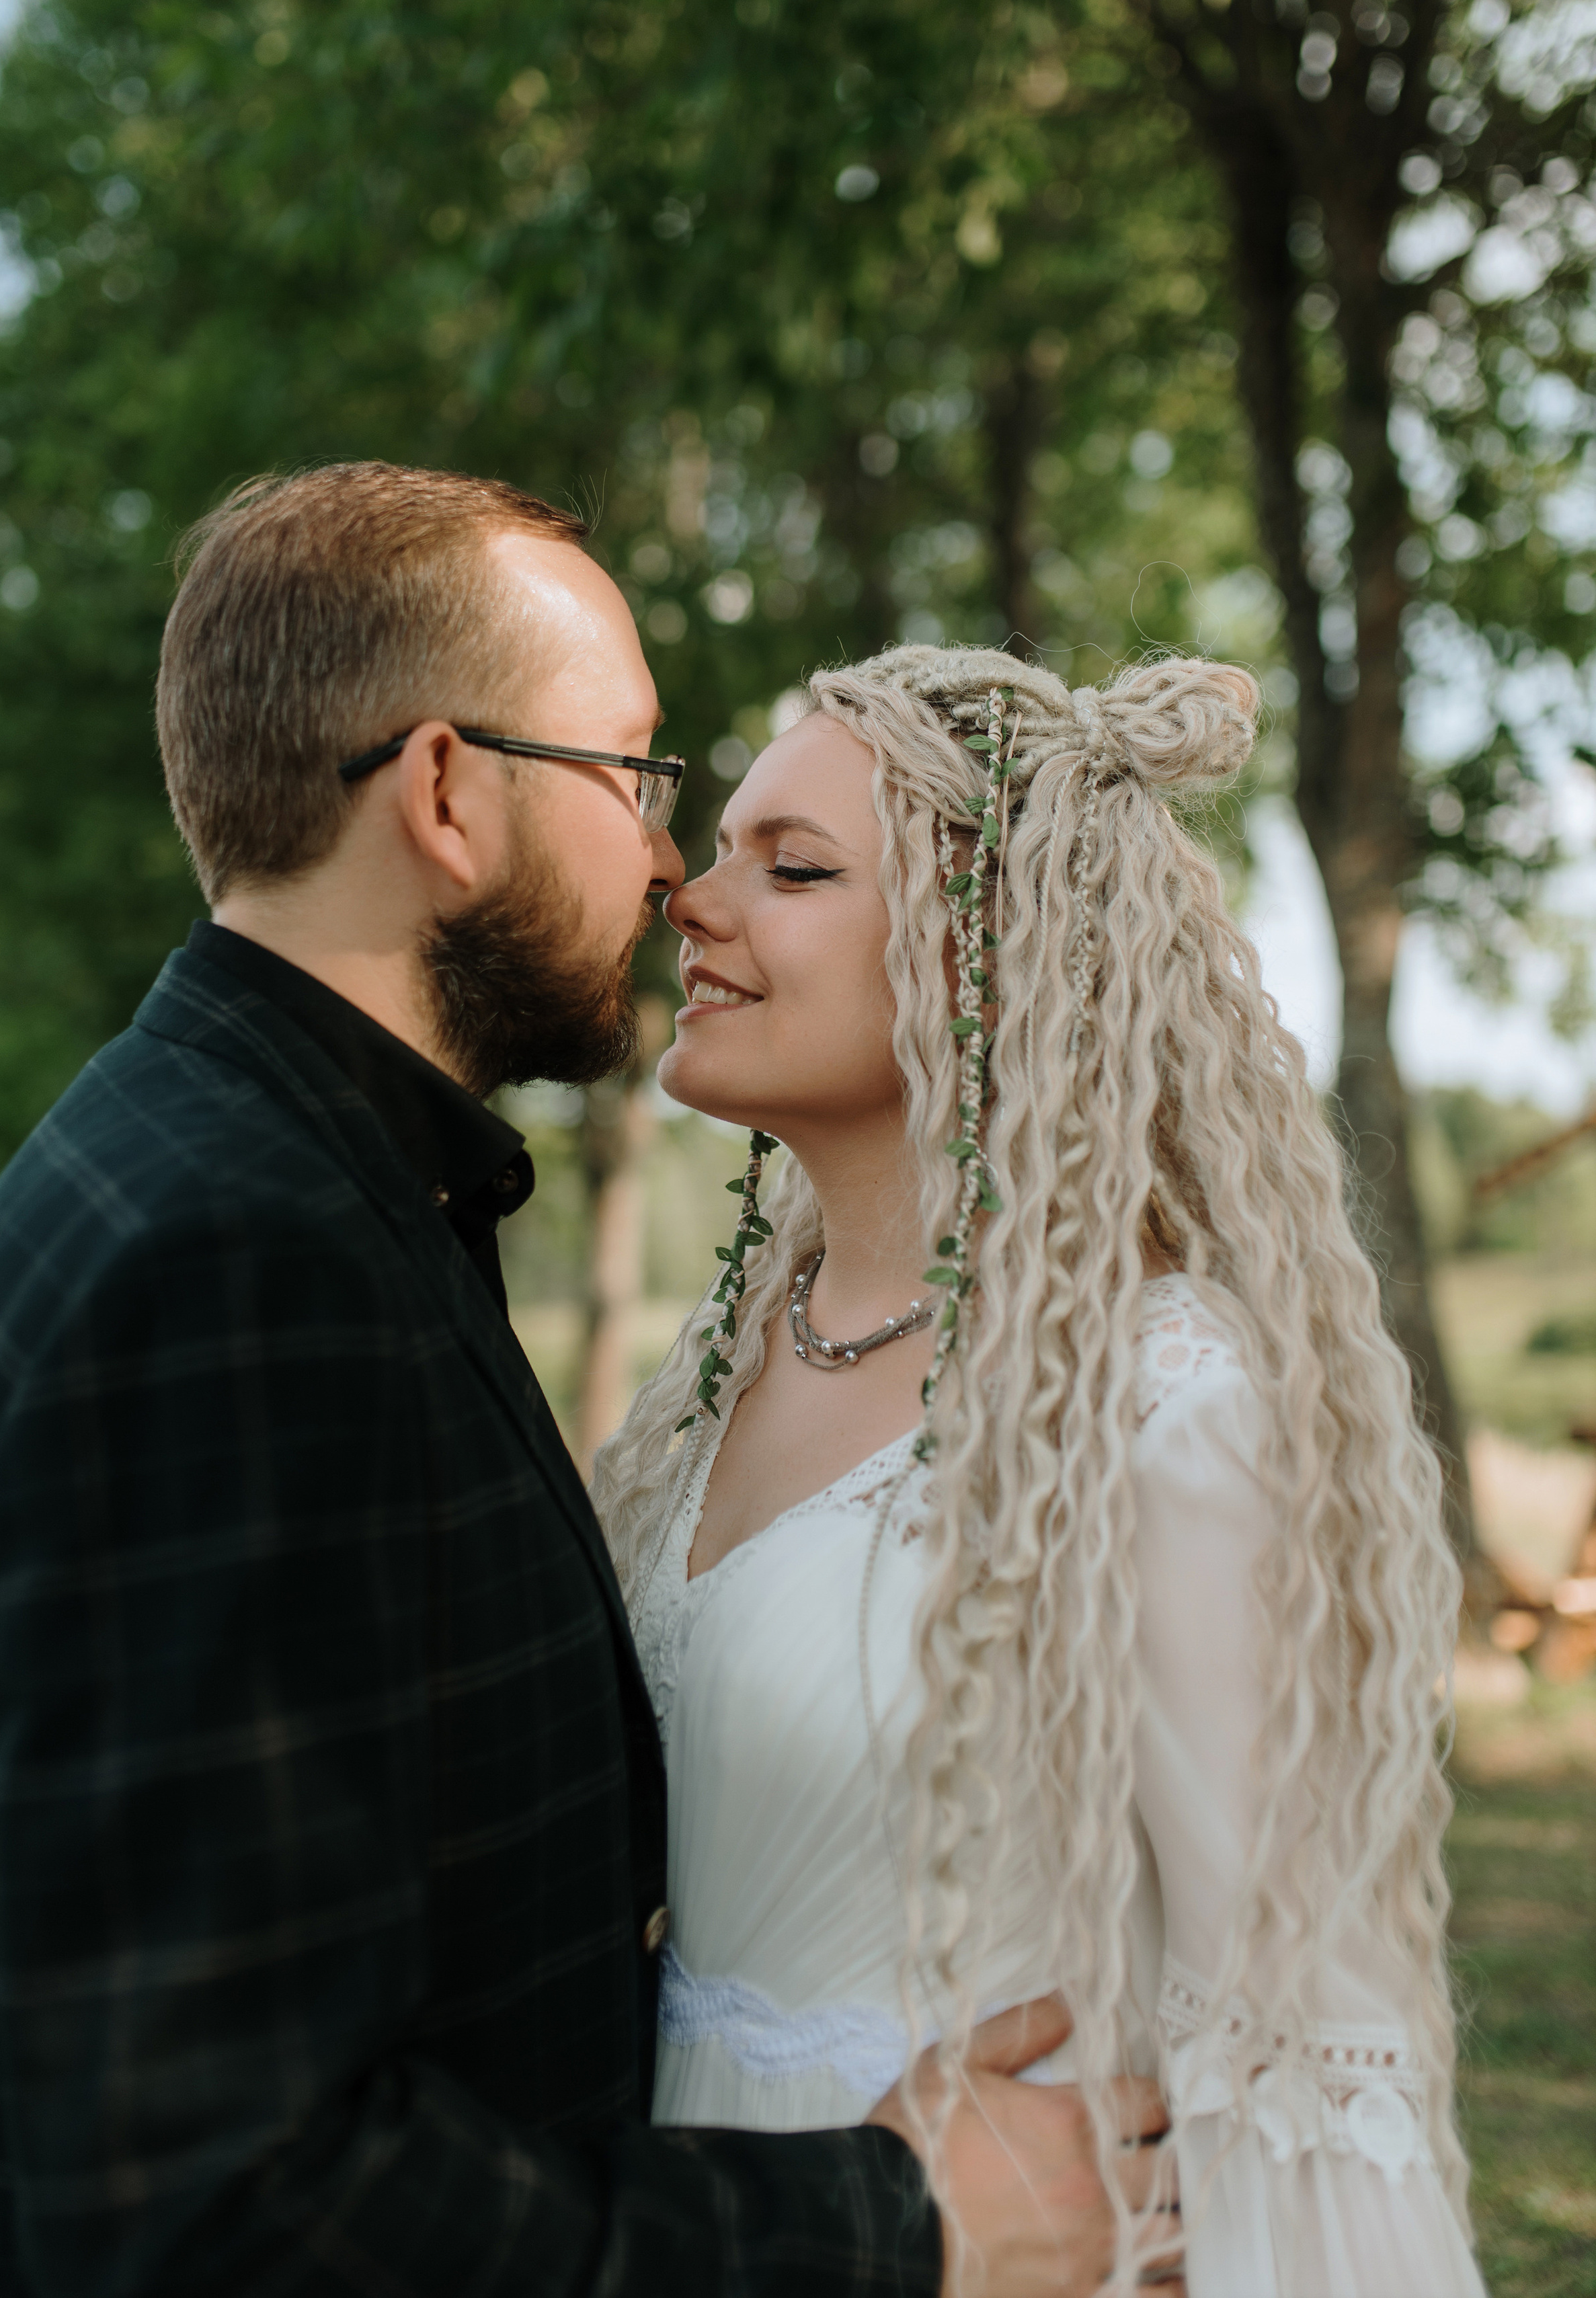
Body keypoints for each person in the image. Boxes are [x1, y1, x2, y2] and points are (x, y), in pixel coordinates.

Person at [0, 465, 1180, 2298]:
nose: (669, 864)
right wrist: (900, 2228)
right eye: (636, 774)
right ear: (444, 791)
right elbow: (233, 2215)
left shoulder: (305, 1180)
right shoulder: (231, 1262)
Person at [592, 644, 1487, 2298]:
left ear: (981, 952)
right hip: (715, 2226)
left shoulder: (1157, 1400)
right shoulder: (711, 1376)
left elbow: (1299, 2039)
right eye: (716, 849)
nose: (687, 900)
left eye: (788, 867)